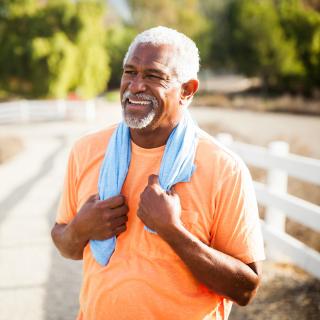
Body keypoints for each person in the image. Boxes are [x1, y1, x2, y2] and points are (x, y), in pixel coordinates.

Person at [51, 26, 265, 320]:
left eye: (153, 76)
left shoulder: (224, 168)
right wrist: (80, 229)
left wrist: (173, 231)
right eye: (130, 72)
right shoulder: (86, 151)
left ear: (187, 91)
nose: (135, 86)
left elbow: (246, 290)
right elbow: (66, 243)